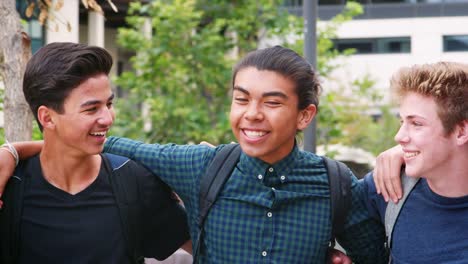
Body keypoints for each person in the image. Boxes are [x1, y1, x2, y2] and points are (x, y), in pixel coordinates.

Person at [0, 46, 387, 263]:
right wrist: (13, 152)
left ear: (305, 115)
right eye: (241, 99)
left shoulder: (337, 184)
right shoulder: (200, 166)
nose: (252, 114)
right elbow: (103, 141)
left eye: (271, 102)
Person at [0, 42, 190, 263]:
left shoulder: (133, 181)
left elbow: (211, 248)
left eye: (109, 104)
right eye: (91, 109)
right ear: (47, 118)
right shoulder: (10, 188)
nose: (108, 119)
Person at [364, 62, 468, 263]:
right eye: (402, 122)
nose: (399, 136)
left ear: (461, 131)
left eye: (416, 124)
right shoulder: (386, 188)